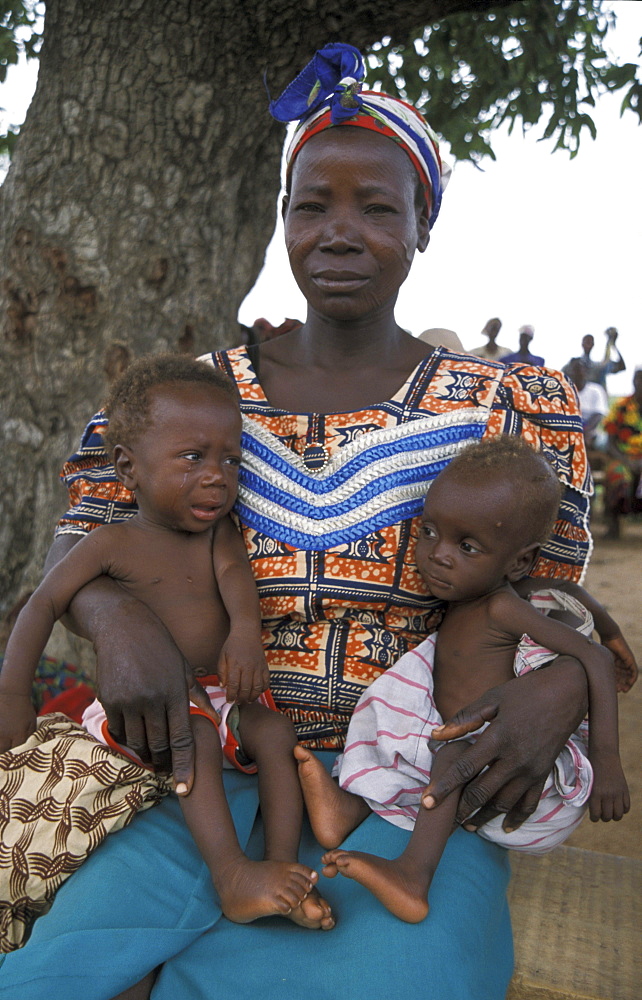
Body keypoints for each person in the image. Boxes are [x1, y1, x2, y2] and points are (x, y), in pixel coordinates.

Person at [0, 43, 595, 1000]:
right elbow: (90, 531)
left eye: (377, 207)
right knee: (56, 973)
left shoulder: (502, 406)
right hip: (212, 768)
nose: (340, 231)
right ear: (282, 219)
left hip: (413, 793)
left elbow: (554, 584)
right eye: (312, 203)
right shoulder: (199, 396)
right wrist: (115, 625)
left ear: (423, 225)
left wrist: (562, 682)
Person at [0, 355, 332, 949]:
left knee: (276, 734)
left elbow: (239, 590)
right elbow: (41, 606)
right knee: (195, 733)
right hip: (150, 709)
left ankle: (280, 866)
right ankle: (231, 875)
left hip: (219, 692)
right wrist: (11, 696)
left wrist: (244, 637)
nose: (217, 476)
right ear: (128, 467)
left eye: (230, 460)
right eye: (192, 458)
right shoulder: (110, 542)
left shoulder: (219, 535)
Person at [294, 437, 631, 924]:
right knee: (393, 710)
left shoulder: (501, 605)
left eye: (466, 546)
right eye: (429, 532)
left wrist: (608, 765)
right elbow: (567, 589)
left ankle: (413, 876)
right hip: (449, 731)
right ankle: (350, 808)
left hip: (507, 766)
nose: (438, 555)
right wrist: (614, 628)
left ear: (517, 561)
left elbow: (594, 661)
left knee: (451, 759)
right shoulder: (494, 590)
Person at [602, 368, 642, 540]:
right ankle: (614, 525)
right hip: (622, 458)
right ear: (634, 381)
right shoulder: (621, 406)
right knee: (617, 476)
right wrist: (626, 460)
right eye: (639, 379)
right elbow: (610, 444)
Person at [567, 358, 609, 452]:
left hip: (591, 431)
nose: (576, 373)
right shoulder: (565, 390)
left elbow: (598, 414)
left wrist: (585, 431)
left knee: (603, 444)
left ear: (586, 371)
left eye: (579, 369)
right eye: (573, 369)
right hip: (568, 431)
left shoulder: (596, 390)